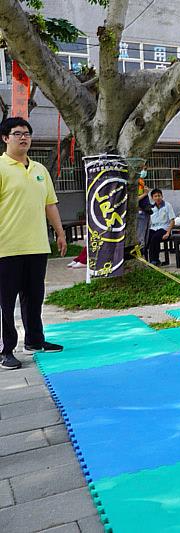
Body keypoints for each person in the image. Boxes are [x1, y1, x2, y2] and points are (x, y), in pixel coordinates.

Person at [0, 117, 65, 370]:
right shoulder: (1, 167)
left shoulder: (40, 170)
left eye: (27, 133)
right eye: (17, 133)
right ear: (5, 138)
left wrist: (59, 232)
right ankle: (7, 350)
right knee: (6, 302)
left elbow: (50, 204)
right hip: (7, 247)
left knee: (34, 297)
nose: (24, 137)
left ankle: (35, 341)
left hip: (37, 245)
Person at [146, 188, 175, 266]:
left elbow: (172, 220)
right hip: (153, 228)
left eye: (159, 196)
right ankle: (148, 260)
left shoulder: (167, 205)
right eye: (155, 196)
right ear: (152, 198)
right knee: (147, 238)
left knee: (155, 238)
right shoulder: (151, 207)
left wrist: (168, 233)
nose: (157, 198)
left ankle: (154, 260)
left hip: (164, 228)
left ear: (162, 196)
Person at [136, 168, 152, 249]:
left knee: (145, 236)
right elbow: (135, 199)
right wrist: (145, 194)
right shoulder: (135, 183)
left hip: (145, 213)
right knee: (140, 237)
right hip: (140, 213)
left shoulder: (141, 182)